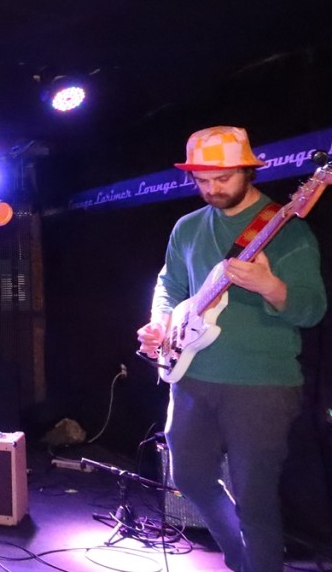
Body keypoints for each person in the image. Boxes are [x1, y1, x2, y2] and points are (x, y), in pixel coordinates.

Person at [136, 126, 326, 572]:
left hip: (261, 384)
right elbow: (169, 284)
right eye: (201, 180)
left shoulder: (288, 229)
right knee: (189, 477)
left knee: (255, 497)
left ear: (247, 170)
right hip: (190, 376)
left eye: (222, 178)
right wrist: (161, 322)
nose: (211, 189)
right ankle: (242, 559)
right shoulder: (187, 227)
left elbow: (313, 309)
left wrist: (270, 286)